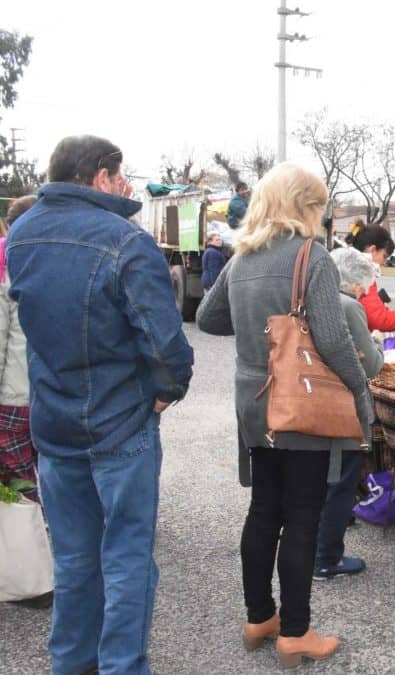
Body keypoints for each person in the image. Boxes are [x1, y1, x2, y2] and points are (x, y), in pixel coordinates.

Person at [6, 135, 194, 675]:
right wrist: (165, 394)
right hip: (121, 426)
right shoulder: (125, 241)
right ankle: (120, 668)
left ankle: (70, 664)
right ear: (96, 176)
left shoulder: (21, 235)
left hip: (54, 423)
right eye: (119, 175)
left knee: (74, 561)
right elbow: (167, 346)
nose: (127, 185)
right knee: (127, 558)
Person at [196, 162, 373, 669]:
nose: (322, 216)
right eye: (318, 206)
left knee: (263, 512)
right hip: (302, 401)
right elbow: (336, 342)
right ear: (303, 205)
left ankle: (260, 619)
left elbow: (208, 318)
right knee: (303, 516)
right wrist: (362, 393)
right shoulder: (310, 258)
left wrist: (260, 333)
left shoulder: (242, 255)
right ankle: (296, 632)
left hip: (254, 404)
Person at [314, 246, 384, 581]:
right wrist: (379, 345)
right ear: (355, 282)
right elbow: (370, 365)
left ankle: (312, 547)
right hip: (345, 409)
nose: (364, 290)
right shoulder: (350, 306)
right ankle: (328, 557)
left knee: (318, 480)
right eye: (364, 285)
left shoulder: (313, 298)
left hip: (315, 403)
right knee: (342, 483)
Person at [0, 195, 38, 503]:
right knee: (53, 471)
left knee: (19, 484)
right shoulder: (55, 259)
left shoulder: (5, 264)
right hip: (52, 392)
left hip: (12, 401)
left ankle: (30, 538)